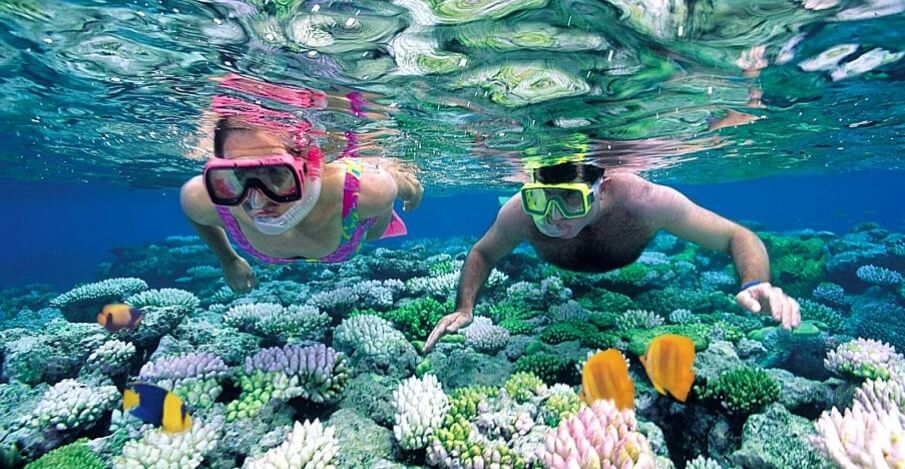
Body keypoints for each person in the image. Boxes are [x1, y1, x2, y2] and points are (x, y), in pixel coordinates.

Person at [424, 161, 801, 351]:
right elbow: (483, 252)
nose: (554, 217)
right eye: (541, 199)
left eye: (572, 199)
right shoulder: (520, 214)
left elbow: (738, 235)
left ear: (600, 190)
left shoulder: (644, 201)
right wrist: (465, 307)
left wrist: (755, 282)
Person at [180, 75, 423, 293]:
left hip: (355, 220)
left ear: (308, 167)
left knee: (375, 225)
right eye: (236, 176)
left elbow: (404, 186)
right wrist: (228, 259)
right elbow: (195, 215)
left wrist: (412, 191)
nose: (258, 200)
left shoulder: (368, 192)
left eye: (275, 174)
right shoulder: (203, 197)